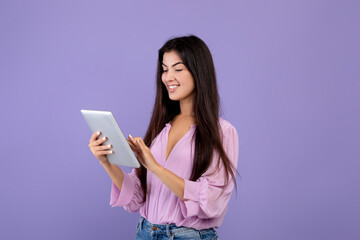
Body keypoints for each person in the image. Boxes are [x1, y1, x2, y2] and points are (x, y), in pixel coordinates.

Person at [88, 35, 239, 239]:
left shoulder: (223, 132)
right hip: (145, 232)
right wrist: (107, 162)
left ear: (199, 72)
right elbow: (139, 194)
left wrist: (156, 168)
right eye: (164, 69)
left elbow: (212, 200)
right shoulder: (160, 127)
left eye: (177, 69)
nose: (168, 77)